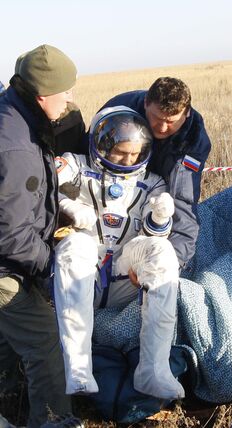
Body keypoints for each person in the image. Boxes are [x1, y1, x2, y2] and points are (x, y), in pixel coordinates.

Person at [53, 106, 185, 400]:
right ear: (103, 145)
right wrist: (66, 206)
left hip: (126, 273)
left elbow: (153, 238)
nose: (127, 160)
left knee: (163, 252)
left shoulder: (152, 182)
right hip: (83, 267)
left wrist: (161, 217)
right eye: (120, 153)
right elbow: (43, 187)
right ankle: (78, 366)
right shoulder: (75, 166)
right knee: (77, 244)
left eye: (134, 154)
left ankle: (153, 370)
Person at [0, 44, 76, 427]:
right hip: (3, 270)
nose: (70, 100)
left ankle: (7, 395)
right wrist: (54, 266)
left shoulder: (17, 117)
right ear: (43, 95)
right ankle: (54, 420)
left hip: (11, 259)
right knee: (45, 340)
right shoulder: (15, 147)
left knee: (9, 335)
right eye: (65, 93)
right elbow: (10, 235)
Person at [101, 77, 212, 269]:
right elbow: (89, 169)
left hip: (158, 190)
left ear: (186, 114)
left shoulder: (193, 140)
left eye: (170, 122)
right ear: (146, 103)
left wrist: (168, 267)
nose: (161, 128)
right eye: (156, 118)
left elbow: (182, 205)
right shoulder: (117, 111)